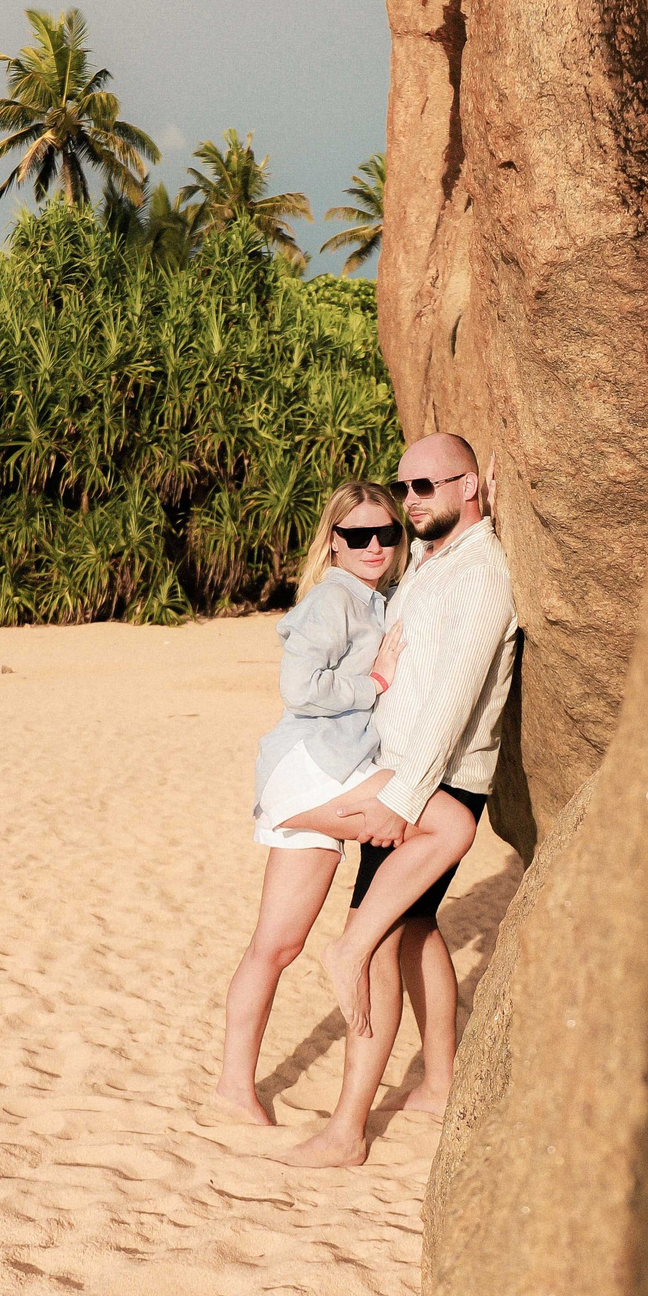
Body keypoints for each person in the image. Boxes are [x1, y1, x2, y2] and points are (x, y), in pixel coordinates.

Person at [279, 432, 516, 1170]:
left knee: (370, 940)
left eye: (427, 487)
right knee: (412, 927)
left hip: (433, 778)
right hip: (407, 770)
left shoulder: (480, 574)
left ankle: (348, 1129)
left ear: (469, 485)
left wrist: (407, 797)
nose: (411, 501)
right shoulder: (431, 562)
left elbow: (452, 698)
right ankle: (440, 1083)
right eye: (405, 486)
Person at [212, 481, 422, 1124]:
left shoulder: (373, 597)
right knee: (434, 818)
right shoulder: (335, 598)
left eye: (387, 532)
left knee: (275, 947)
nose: (375, 546)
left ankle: (232, 1089)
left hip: (329, 768)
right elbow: (300, 687)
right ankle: (360, 946)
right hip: (312, 768)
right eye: (358, 535)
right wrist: (377, 682)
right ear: (334, 541)